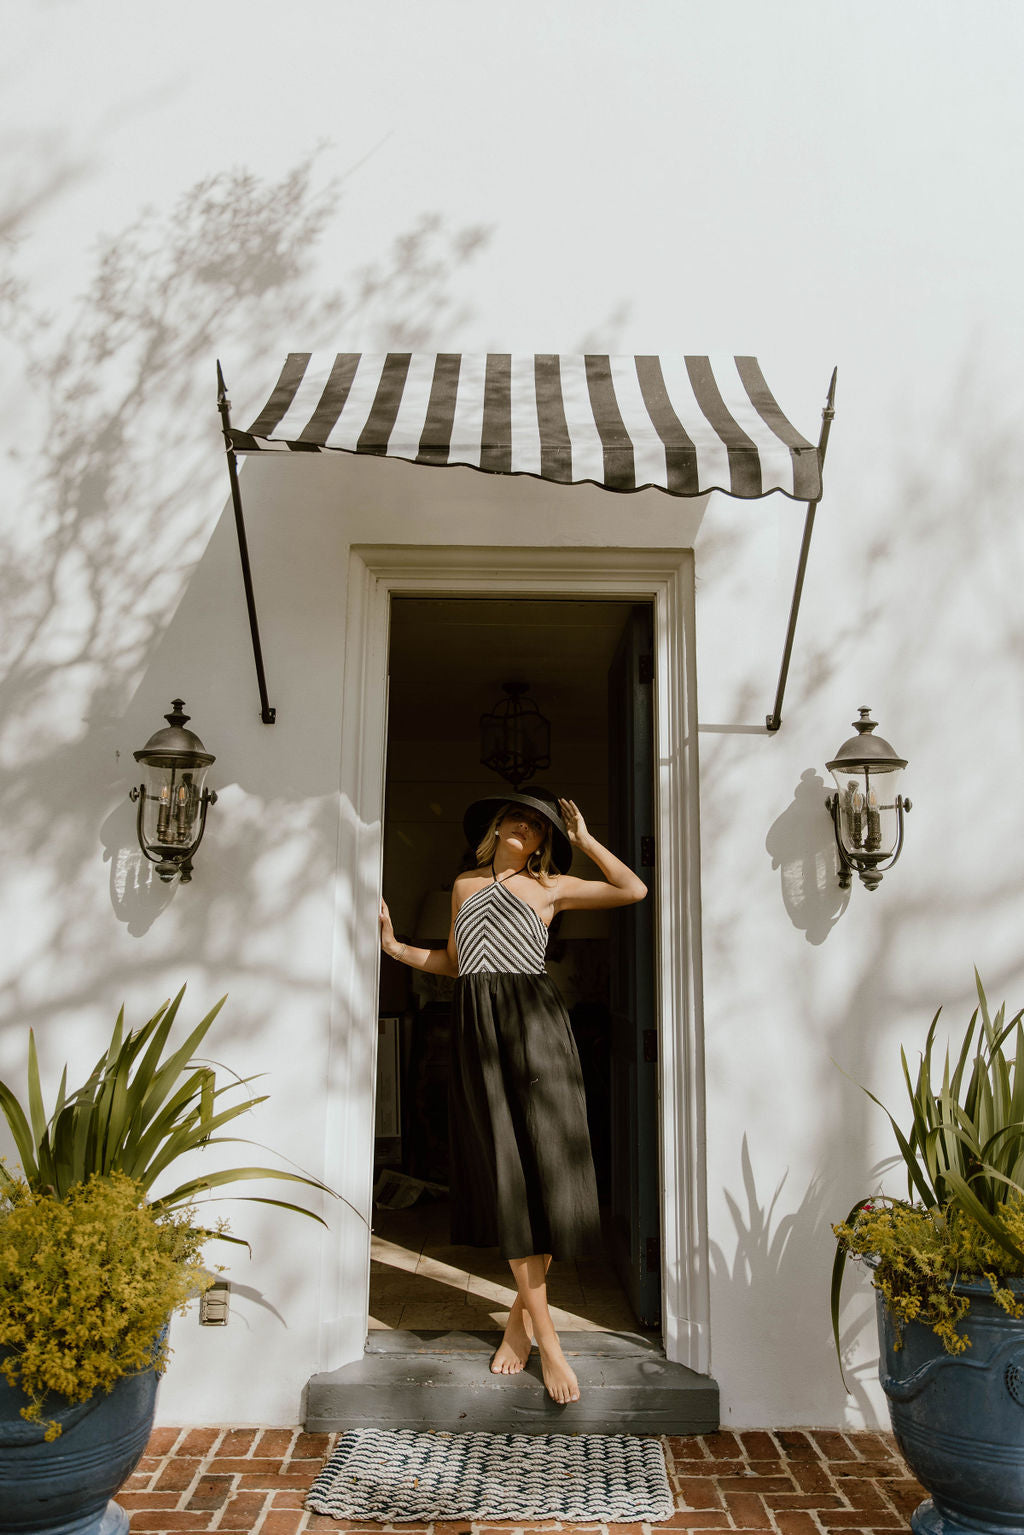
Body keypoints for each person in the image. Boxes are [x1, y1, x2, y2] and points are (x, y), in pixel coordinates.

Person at [379, 789, 647, 1405]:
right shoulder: (463, 887)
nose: (526, 827)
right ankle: (543, 1335)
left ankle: (526, 1329)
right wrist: (395, 949)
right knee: (508, 1176)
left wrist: (585, 843)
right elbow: (454, 963)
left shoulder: (552, 886)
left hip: (539, 1031)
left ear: (545, 841)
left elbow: (633, 890)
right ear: (497, 829)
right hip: (480, 1035)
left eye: (537, 825)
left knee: (549, 1174)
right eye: (517, 819)